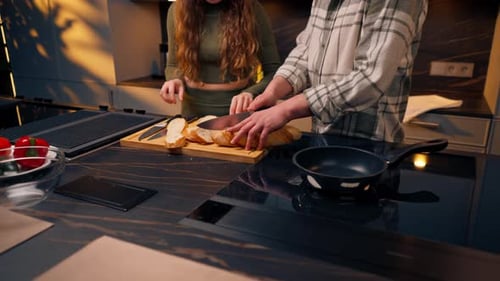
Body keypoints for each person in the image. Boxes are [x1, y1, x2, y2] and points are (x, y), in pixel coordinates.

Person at [228, 0, 429, 150]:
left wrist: (287, 109)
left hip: (370, 149)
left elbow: (370, 78)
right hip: (322, 143)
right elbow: (306, 51)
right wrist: (273, 91)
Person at [159, 0, 281, 117]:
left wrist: (251, 92)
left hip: (241, 113)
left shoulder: (253, 10)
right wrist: (174, 79)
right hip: (192, 113)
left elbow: (274, 71)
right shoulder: (176, 10)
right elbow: (173, 65)